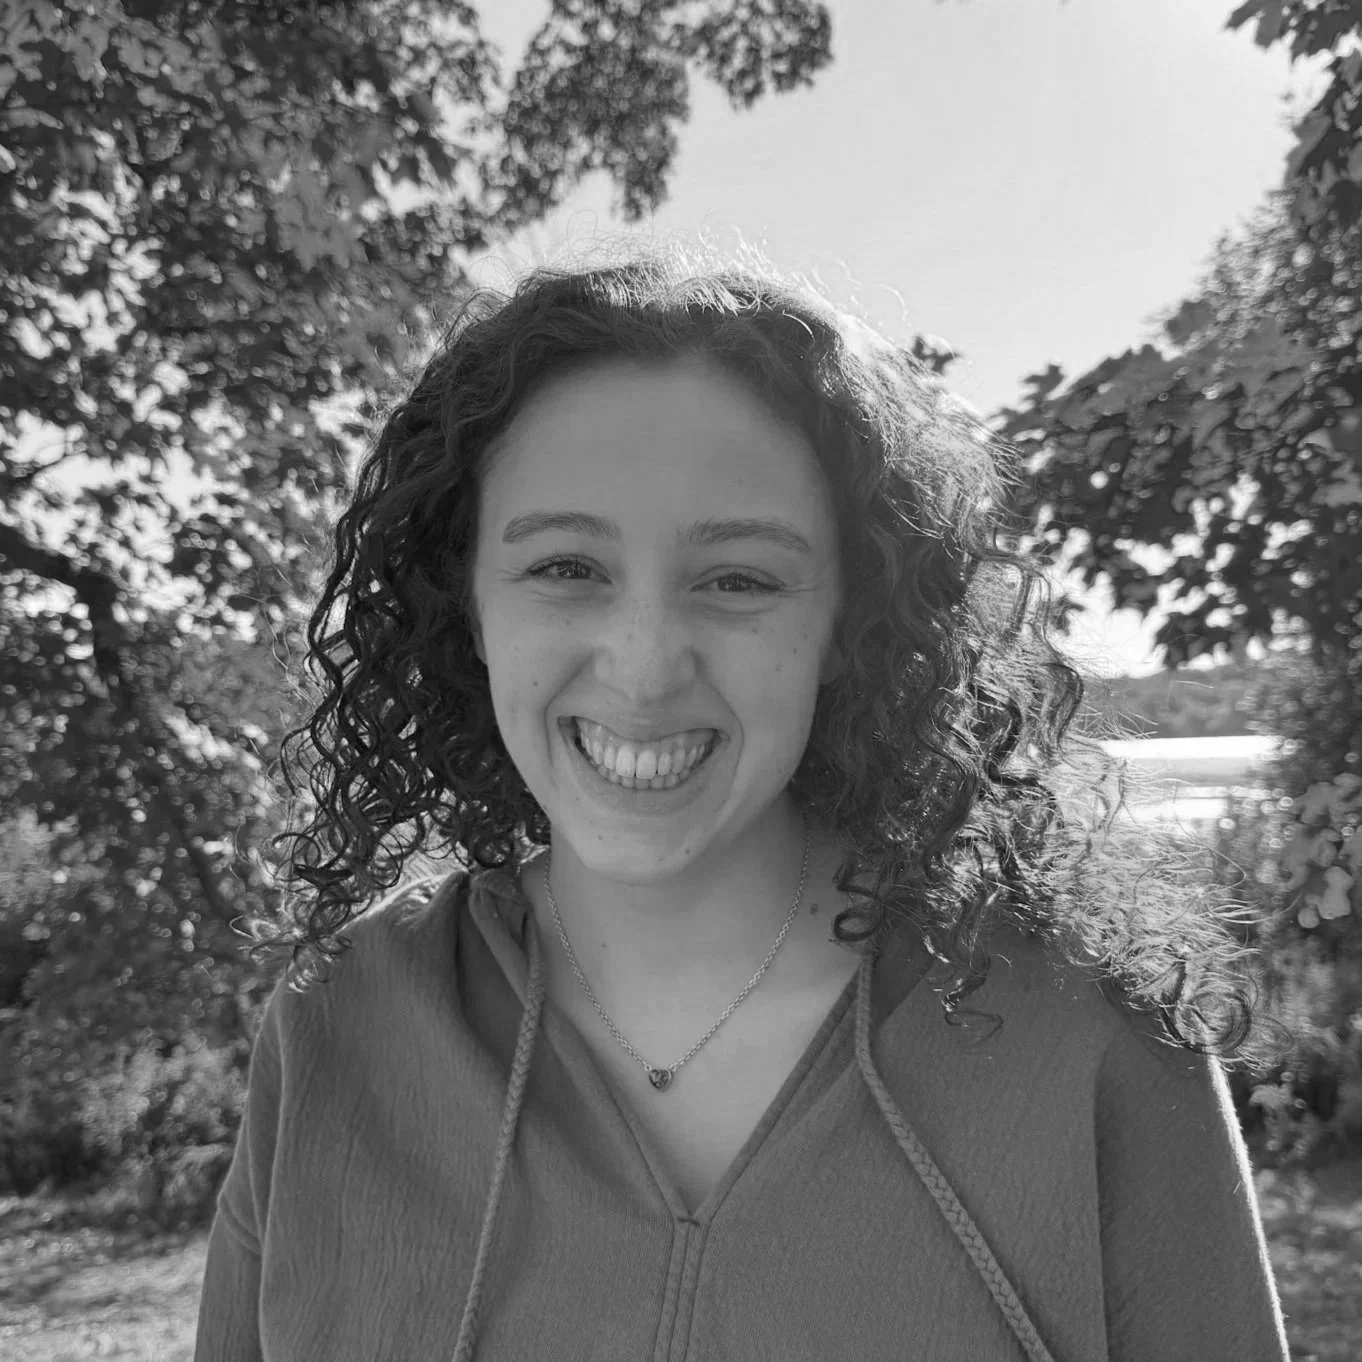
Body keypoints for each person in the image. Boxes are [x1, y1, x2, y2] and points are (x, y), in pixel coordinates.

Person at [194, 247, 1292, 1361]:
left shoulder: (1093, 1040)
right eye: (566, 567)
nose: (643, 668)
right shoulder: (339, 1027)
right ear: (467, 608)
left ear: (845, 628)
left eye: (739, 579)